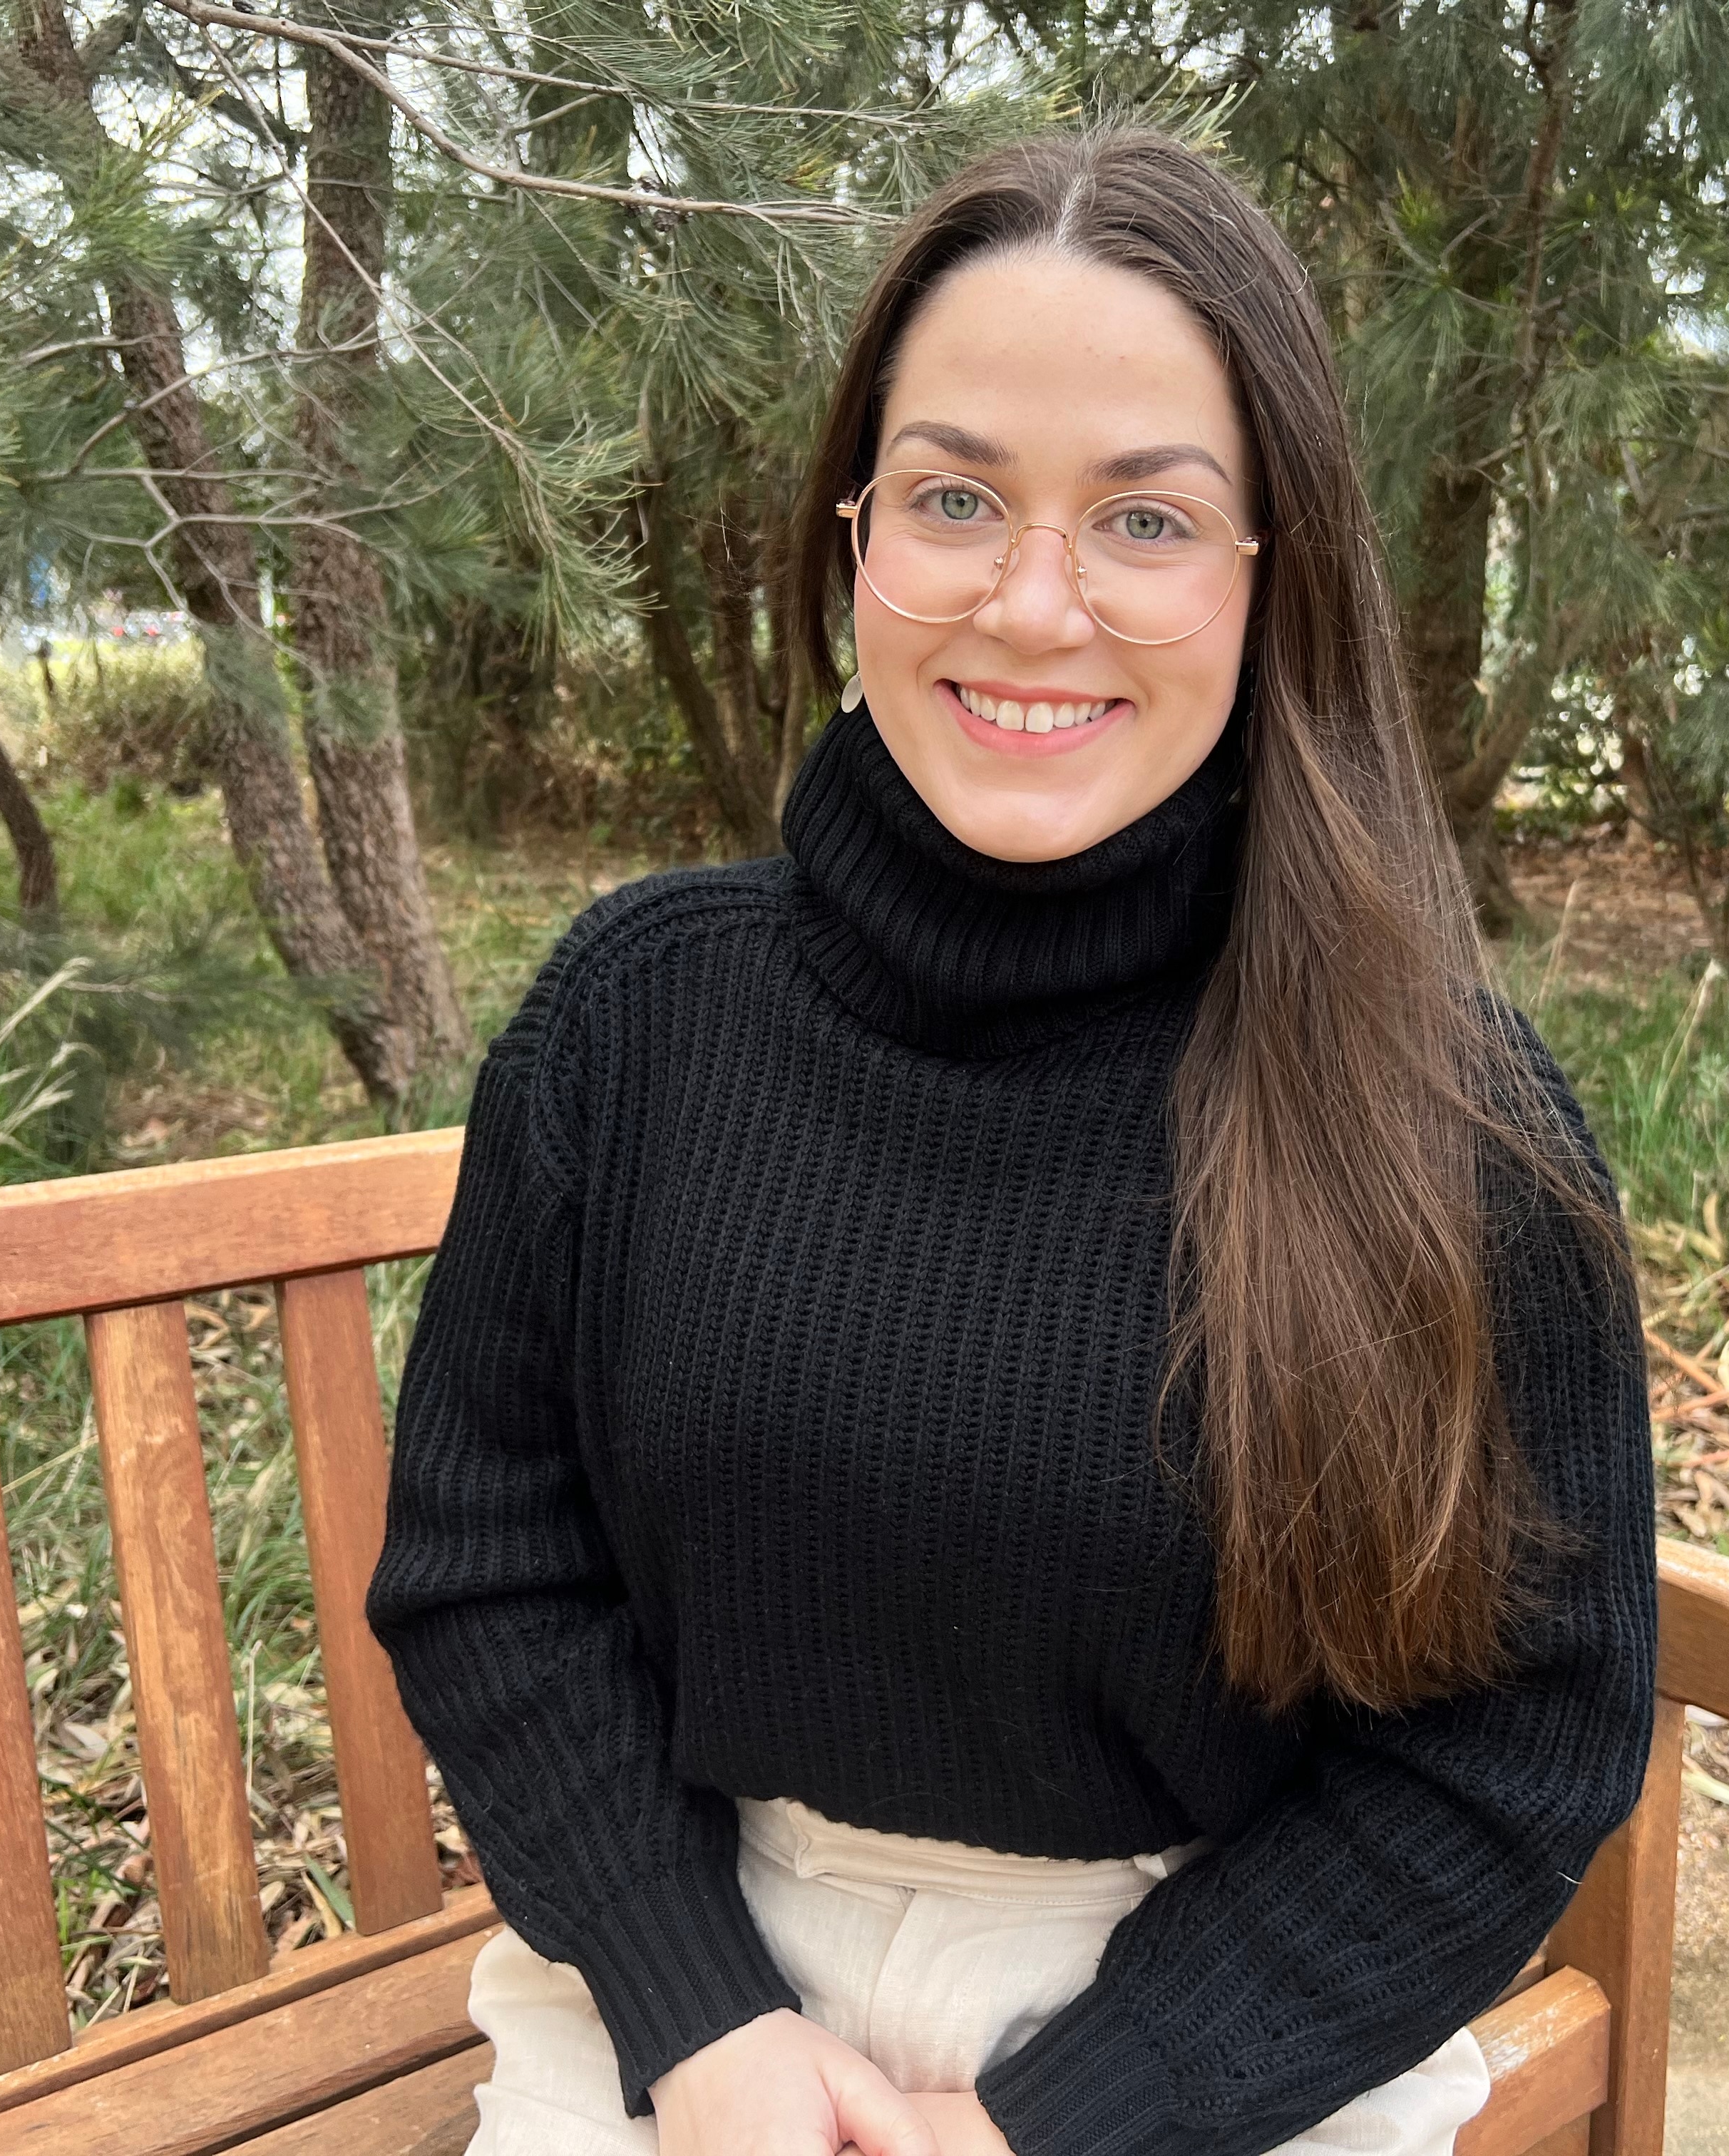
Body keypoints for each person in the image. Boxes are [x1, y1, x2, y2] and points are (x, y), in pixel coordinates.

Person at [367, 123, 1658, 2156]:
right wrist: (699, 2026)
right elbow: (486, 1567)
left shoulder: (1446, 1124)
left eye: (1146, 523)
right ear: (856, 538)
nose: (1033, 603)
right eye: (958, 498)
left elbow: (1512, 1747)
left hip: (1210, 2029)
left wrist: (1073, 2117)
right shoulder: (637, 1024)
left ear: (1273, 575)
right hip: (684, 1998)